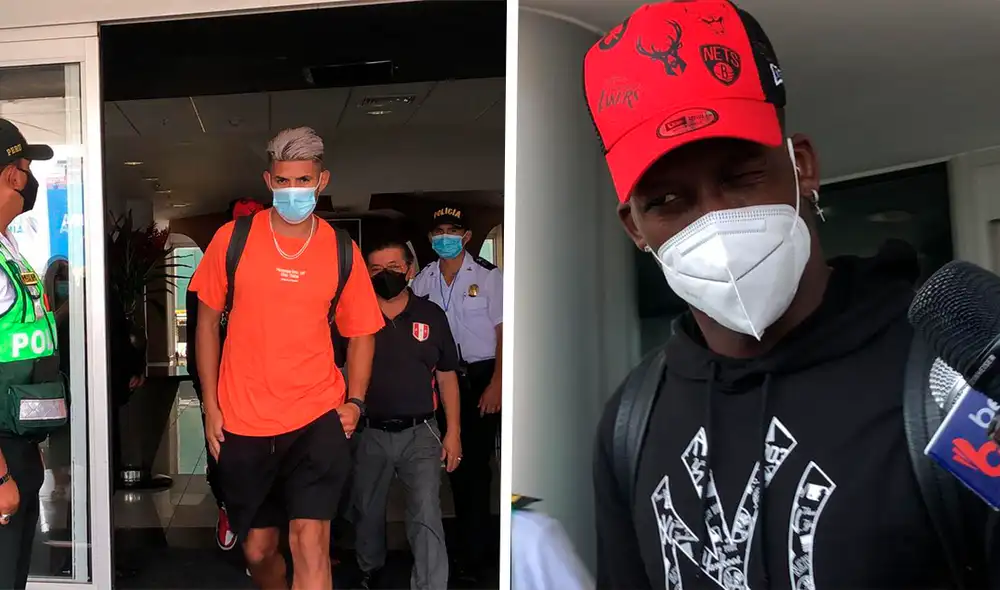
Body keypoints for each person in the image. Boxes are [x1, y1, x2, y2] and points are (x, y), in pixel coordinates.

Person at [585, 2, 996, 589]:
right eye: (668, 201)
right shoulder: (632, 422)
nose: (717, 219)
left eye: (741, 175)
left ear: (801, 167)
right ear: (634, 228)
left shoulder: (946, 382)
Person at [190, 126, 384, 590]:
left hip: (317, 418)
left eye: (303, 180)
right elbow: (204, 326)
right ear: (268, 181)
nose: (293, 190)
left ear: (321, 181)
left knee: (310, 541)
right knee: (258, 551)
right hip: (245, 421)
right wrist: (211, 406)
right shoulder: (231, 240)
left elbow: (362, 333)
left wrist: (355, 402)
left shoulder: (341, 249)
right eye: (283, 181)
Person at [353, 238, 463, 590]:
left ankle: (430, 584)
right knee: (367, 511)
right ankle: (370, 568)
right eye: (376, 270)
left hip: (421, 432)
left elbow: (446, 376)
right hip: (367, 432)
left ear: (410, 271)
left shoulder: (431, 316)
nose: (385, 275)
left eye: (394, 268)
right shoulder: (353, 315)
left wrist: (454, 432)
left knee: (426, 512)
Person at [410, 207, 502, 582]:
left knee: (476, 469)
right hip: (441, 381)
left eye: (452, 231)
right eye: (438, 232)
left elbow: (503, 332)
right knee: (450, 465)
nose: (444, 237)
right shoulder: (424, 280)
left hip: (481, 379)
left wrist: (498, 383)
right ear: (431, 238)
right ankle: (459, 549)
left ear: (465, 236)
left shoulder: (487, 275)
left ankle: (477, 557)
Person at [0, 118, 64, 590]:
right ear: (13, 176)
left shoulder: (8, 247)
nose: (27, 178)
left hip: (14, 445)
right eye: (24, 165)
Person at [186, 197, 264, 552]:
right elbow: (199, 335)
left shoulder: (273, 273)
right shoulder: (210, 274)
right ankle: (227, 508)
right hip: (221, 383)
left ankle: (267, 526)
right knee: (222, 449)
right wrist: (207, 392)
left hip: (267, 382)